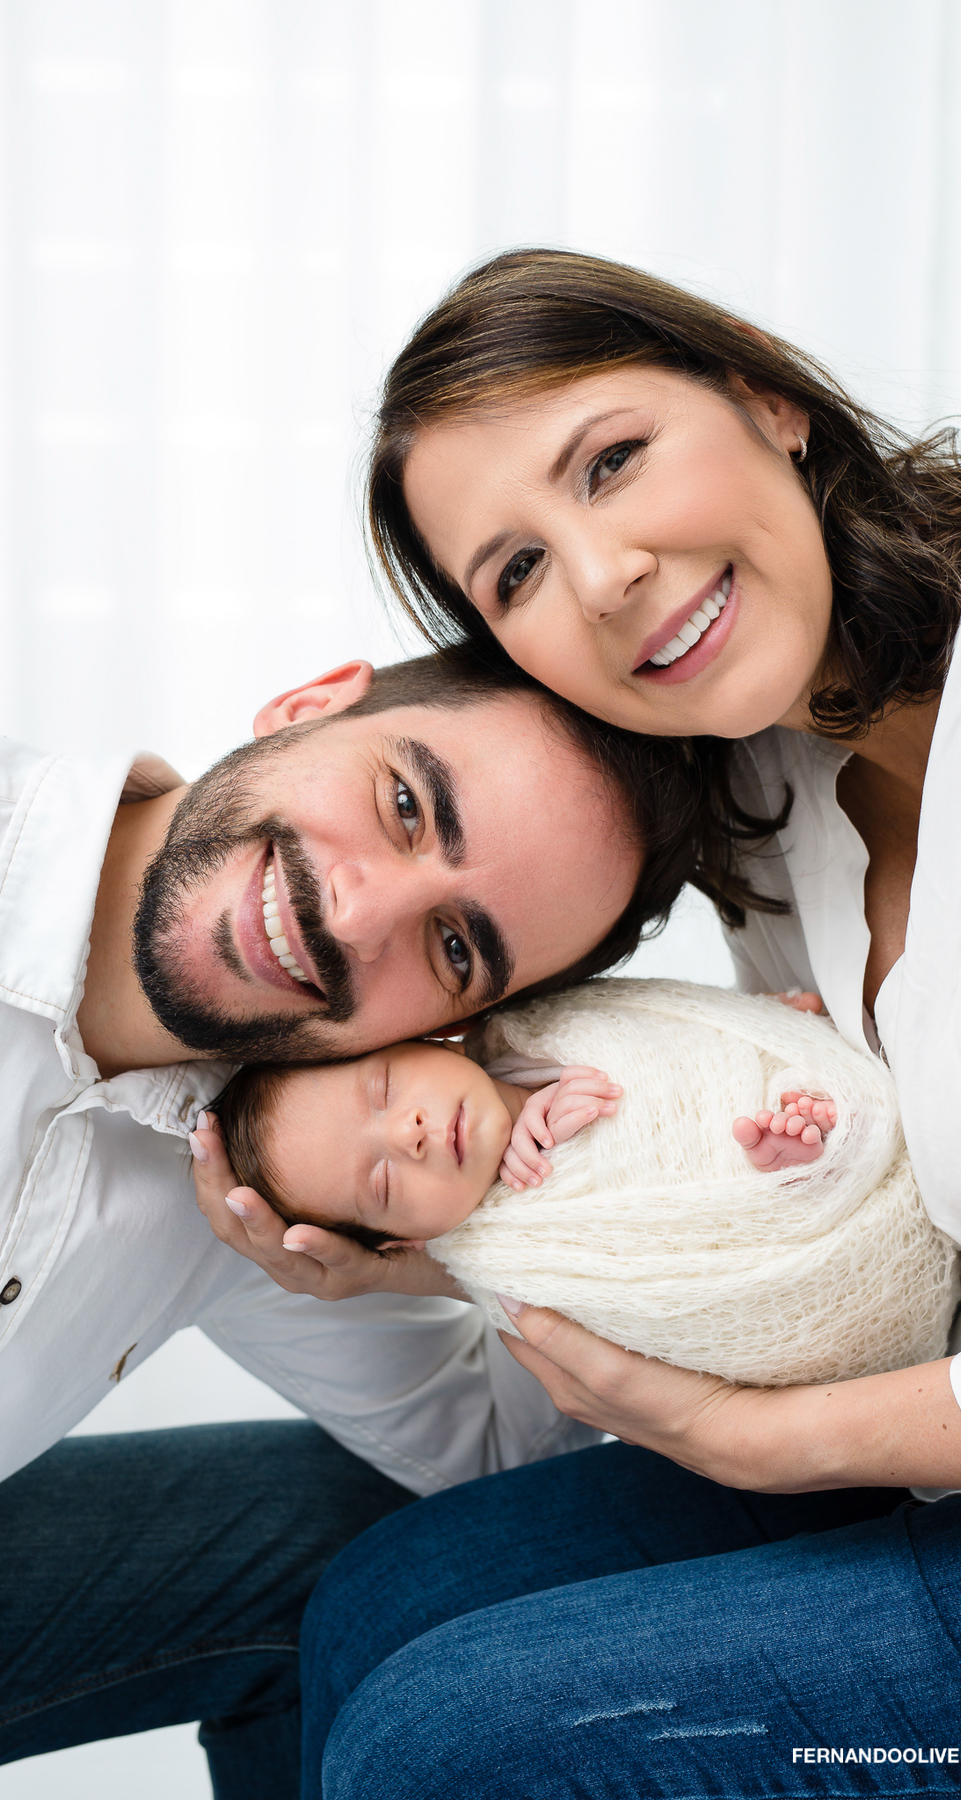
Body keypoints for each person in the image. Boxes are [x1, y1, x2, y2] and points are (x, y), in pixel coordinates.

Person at [239, 248, 961, 1795]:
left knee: (460, 1742)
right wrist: (482, 1214)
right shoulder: (768, 783)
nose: (607, 574)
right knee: (382, 1600)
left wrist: (757, 1441)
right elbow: (882, 1223)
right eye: (519, 573)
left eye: (613, 462)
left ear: (765, 394)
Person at [0, 642, 720, 1798]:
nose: (354, 910)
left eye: (451, 948)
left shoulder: (252, 1172)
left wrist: (446, 1257)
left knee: (384, 1554)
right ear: (310, 703)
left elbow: (493, 1466)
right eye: (402, 802)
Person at [206, 976, 957, 1390]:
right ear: (407, 1238)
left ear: (421, 1038)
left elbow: (658, 1039)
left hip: (832, 1107)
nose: (410, 1132)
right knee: (738, 1166)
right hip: (784, 1265)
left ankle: (798, 1118)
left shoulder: (535, 1031)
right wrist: (549, 1140)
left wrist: (750, 1018)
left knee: (750, 1078)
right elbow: (648, 1307)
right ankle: (784, 1166)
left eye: (384, 1090)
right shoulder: (511, 1260)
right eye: (381, 1180)